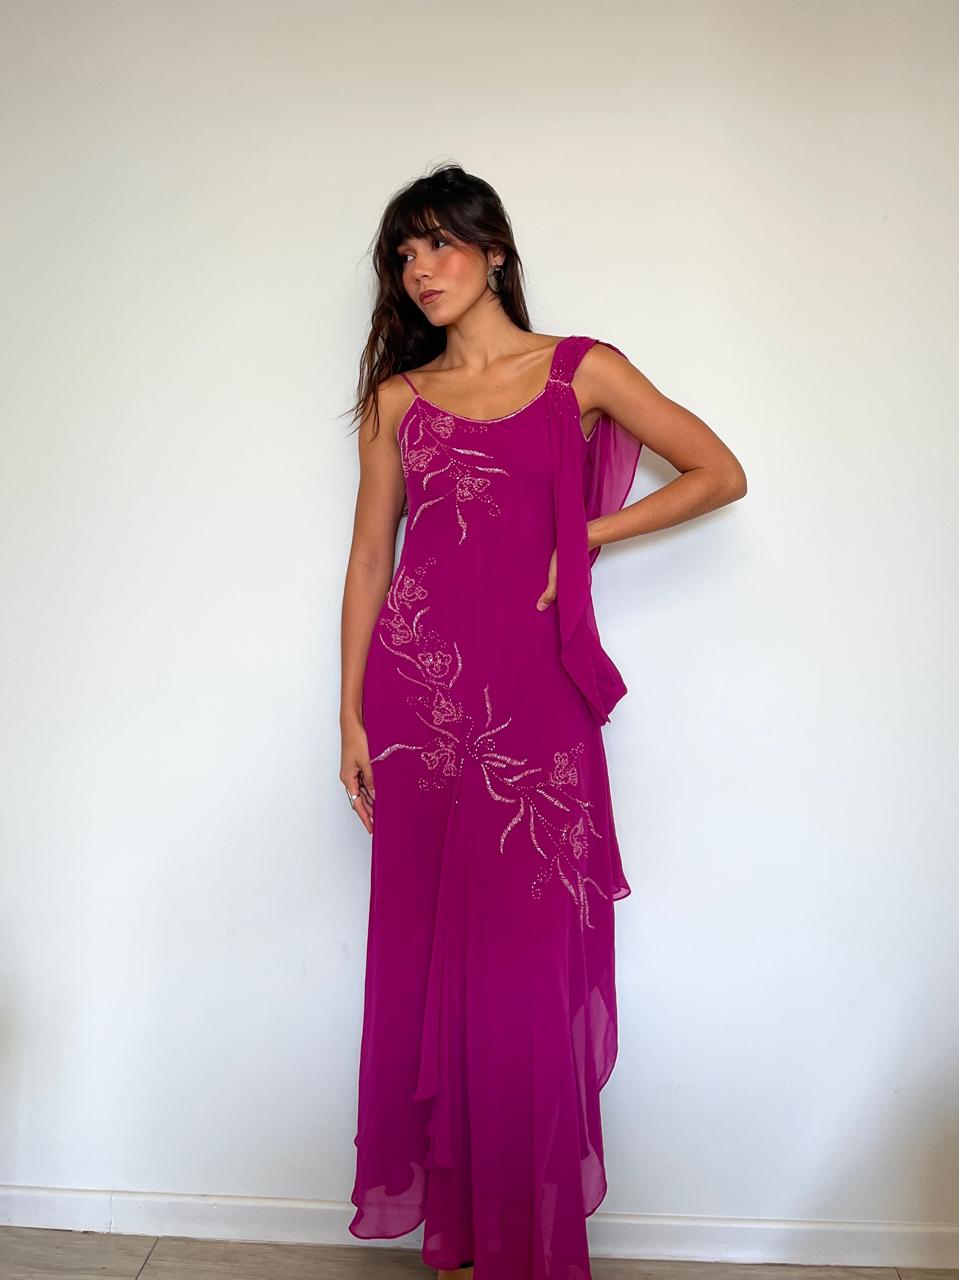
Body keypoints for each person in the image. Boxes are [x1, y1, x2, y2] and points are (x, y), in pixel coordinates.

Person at [339, 163, 747, 1280]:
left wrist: (586, 537)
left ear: (494, 250)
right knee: (429, 959)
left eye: (438, 244)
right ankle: (458, 1239)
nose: (420, 270)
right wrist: (349, 718)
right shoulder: (397, 400)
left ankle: (526, 1237)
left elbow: (717, 472)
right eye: (403, 255)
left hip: (534, 706)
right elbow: (370, 558)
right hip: (418, 704)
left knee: (525, 966)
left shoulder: (581, 370)